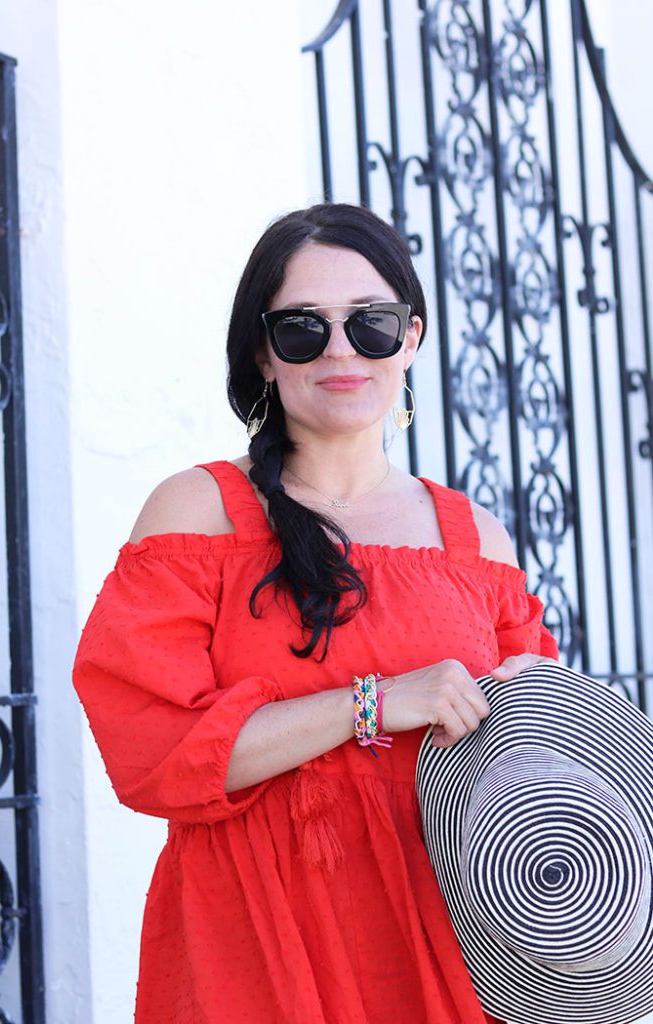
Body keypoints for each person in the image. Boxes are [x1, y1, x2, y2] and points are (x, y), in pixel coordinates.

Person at [73, 202, 559, 1024]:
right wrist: (370, 701)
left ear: (409, 337)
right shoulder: (198, 512)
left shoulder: (474, 537)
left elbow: (538, 752)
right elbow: (155, 753)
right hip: (258, 940)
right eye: (302, 328)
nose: (340, 349)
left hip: (450, 939)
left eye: (369, 323)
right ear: (262, 353)